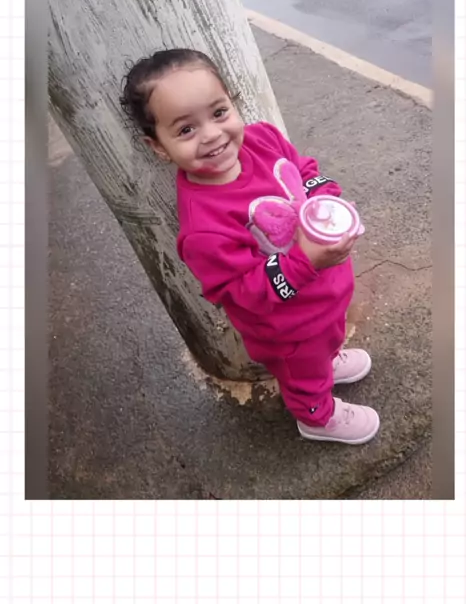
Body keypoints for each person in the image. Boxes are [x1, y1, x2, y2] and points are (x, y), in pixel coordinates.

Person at [120, 48, 380, 444]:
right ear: (158, 146)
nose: (212, 134)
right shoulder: (203, 228)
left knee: (329, 337)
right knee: (304, 376)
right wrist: (305, 262)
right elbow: (243, 292)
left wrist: (326, 199)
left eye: (219, 112)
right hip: (290, 329)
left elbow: (302, 171)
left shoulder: (263, 139)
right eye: (186, 130)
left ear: (232, 103)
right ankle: (317, 417)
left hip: (327, 295)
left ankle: (327, 360)